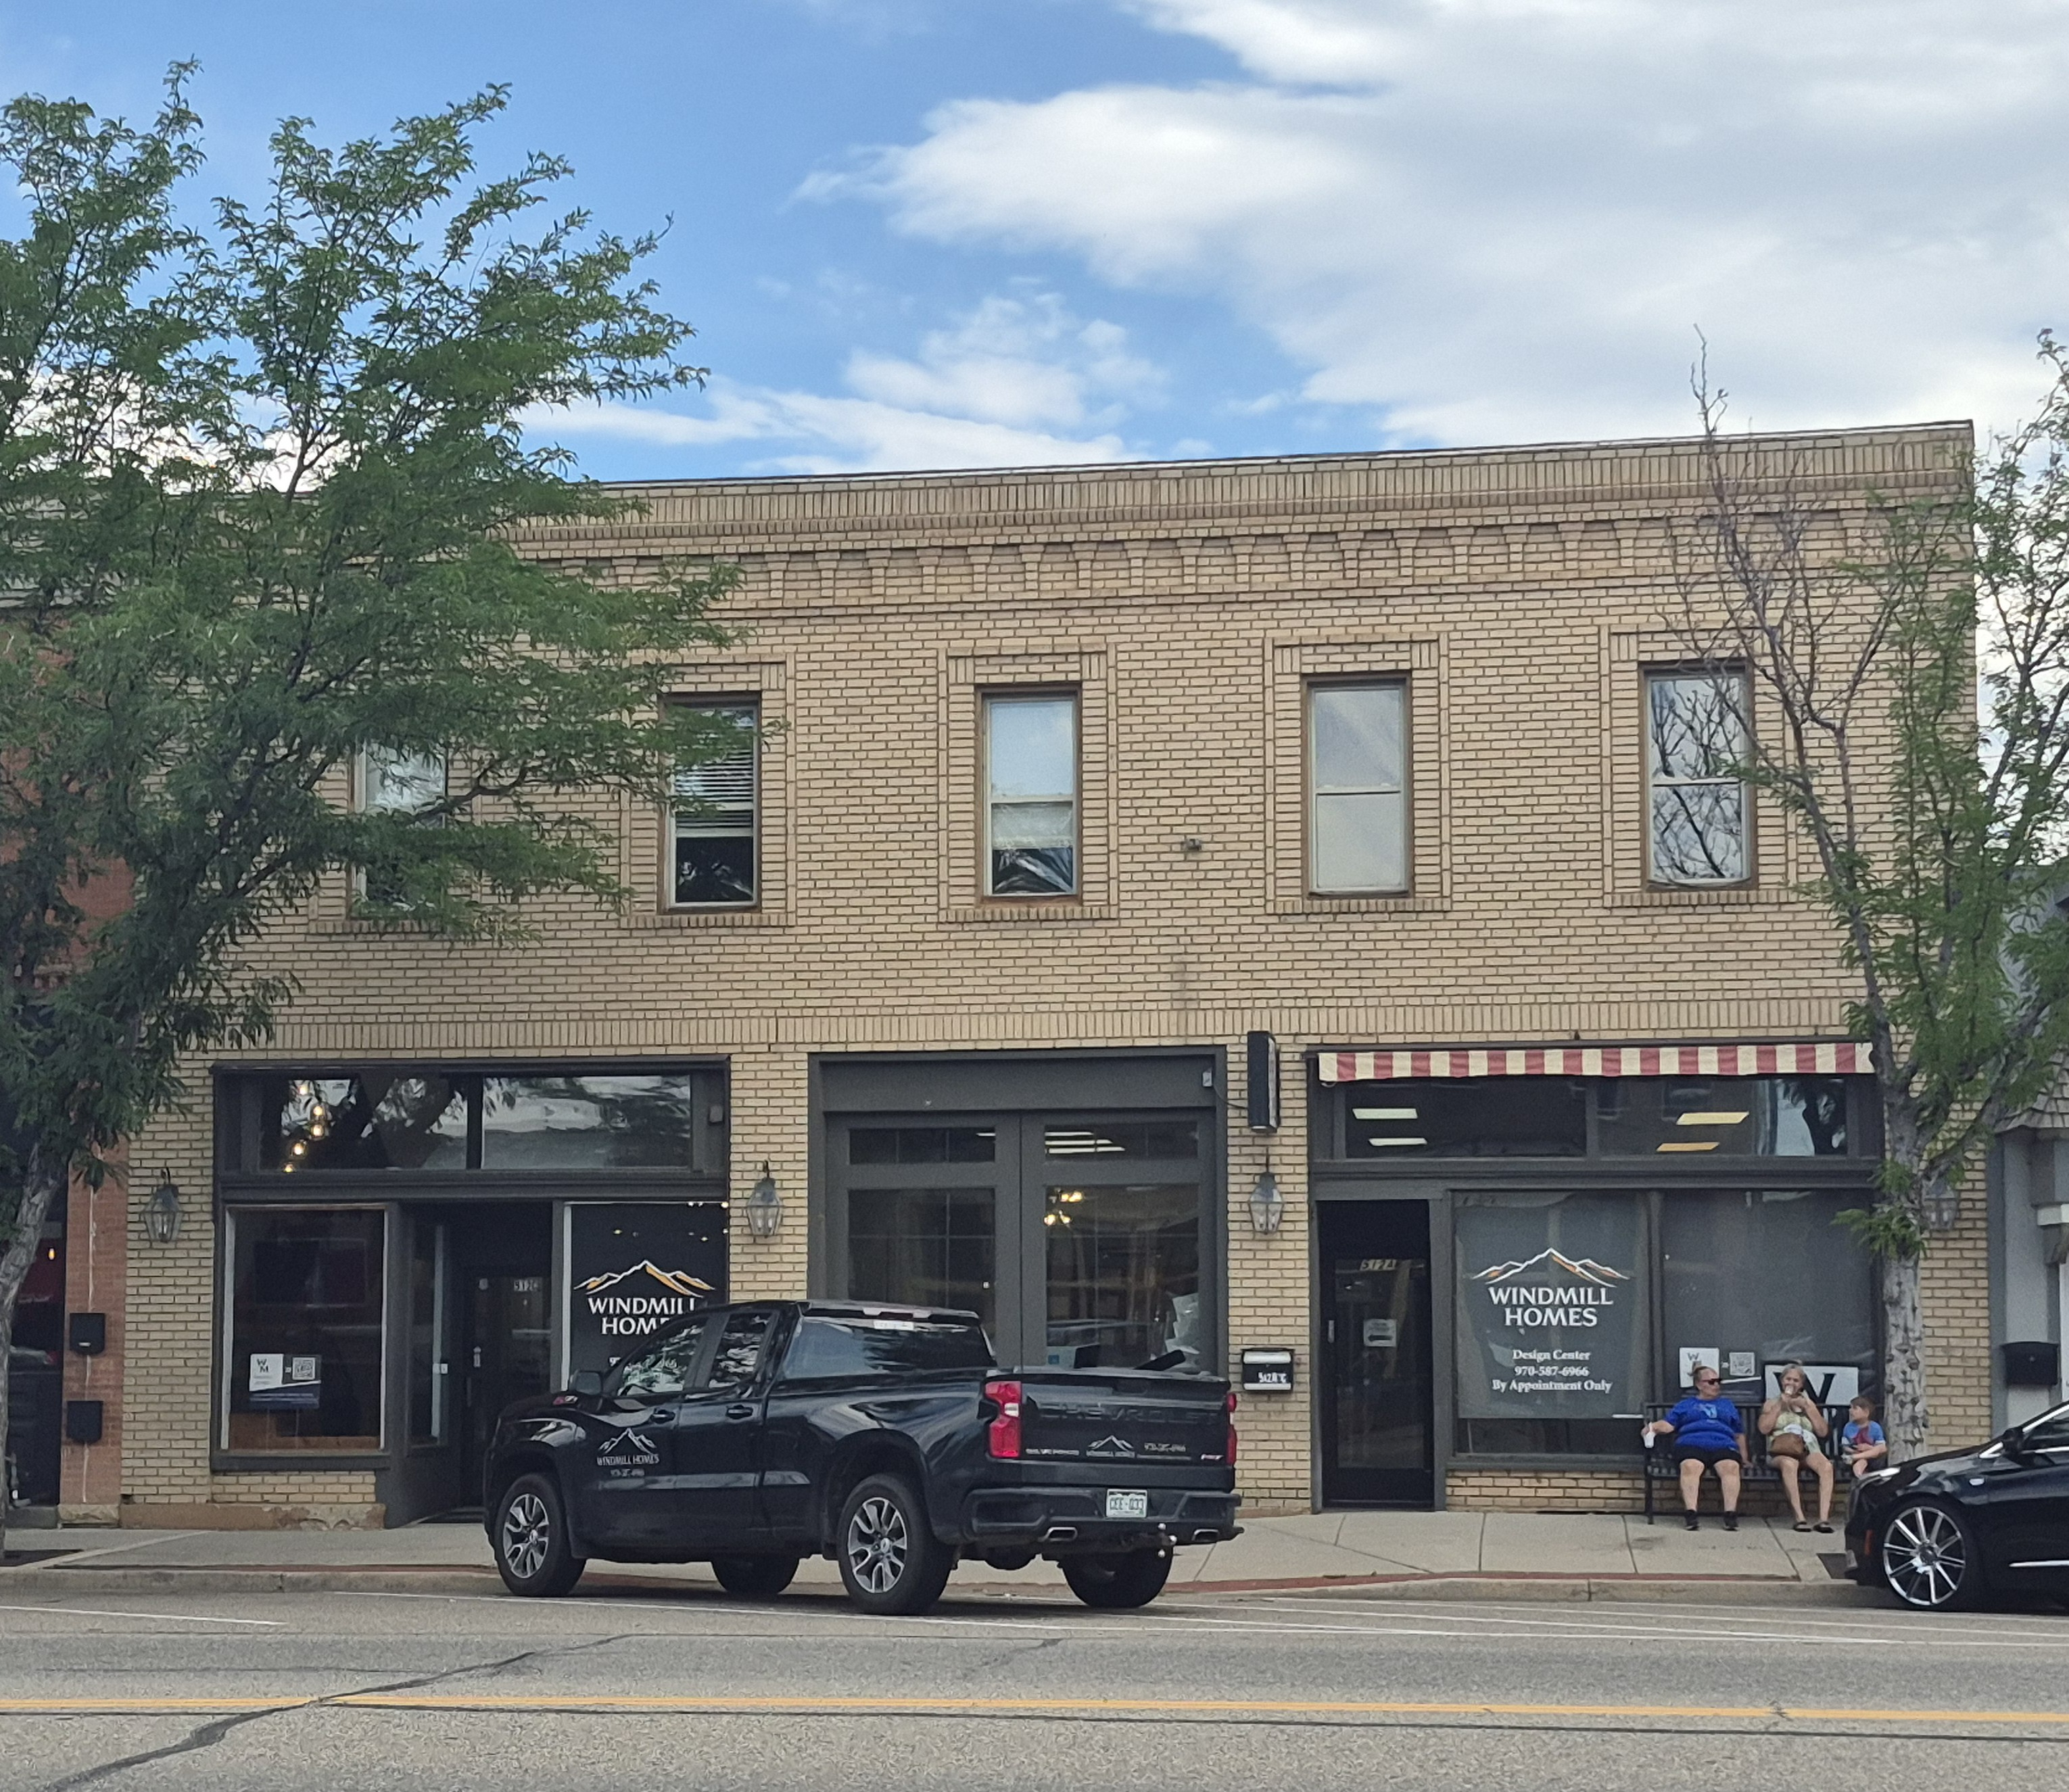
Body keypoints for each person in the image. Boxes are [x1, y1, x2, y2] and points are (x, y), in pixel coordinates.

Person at [1645, 1363, 1748, 1530]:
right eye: (1711, 1382)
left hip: (1722, 1443)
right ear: (1699, 1385)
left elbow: (1738, 1433)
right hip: (1691, 1443)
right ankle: (1691, 1513)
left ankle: (1730, 1514)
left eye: (1718, 1381)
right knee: (1691, 1466)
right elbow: (1669, 1425)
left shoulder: (1727, 1405)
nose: (1716, 1385)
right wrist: (1653, 1427)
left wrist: (1744, 1457)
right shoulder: (1686, 1405)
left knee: (1730, 1466)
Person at [1759, 1363, 1834, 1532]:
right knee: (1789, 1464)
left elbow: (1822, 1432)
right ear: (1782, 1381)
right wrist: (1780, 1405)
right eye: (1788, 1379)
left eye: (1796, 1380)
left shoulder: (1808, 1404)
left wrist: (1809, 1408)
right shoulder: (1771, 1403)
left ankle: (1823, 1519)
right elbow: (1764, 1429)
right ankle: (1799, 1517)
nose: (1791, 1383)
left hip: (1807, 1448)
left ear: (1801, 1384)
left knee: (1826, 1467)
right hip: (1781, 1450)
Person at [1840, 1396, 1887, 1475]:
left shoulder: (1875, 1427)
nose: (1851, 1411)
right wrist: (1855, 1451)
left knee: (1882, 1448)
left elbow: (1880, 1446)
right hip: (1856, 1453)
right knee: (1861, 1462)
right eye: (1850, 1408)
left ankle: (1854, 1458)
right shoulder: (1848, 1427)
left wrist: (1869, 1448)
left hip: (1872, 1455)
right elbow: (1845, 1446)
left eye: (1855, 1408)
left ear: (1866, 1412)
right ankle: (1860, 1477)